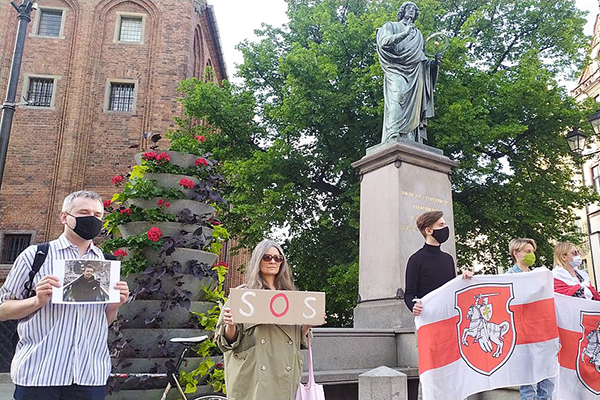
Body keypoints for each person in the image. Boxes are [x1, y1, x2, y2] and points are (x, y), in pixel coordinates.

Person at [0, 190, 129, 400]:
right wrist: (37, 300)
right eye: (84, 212)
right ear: (64, 217)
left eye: (97, 215)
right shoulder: (36, 256)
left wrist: (114, 306)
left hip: (89, 375)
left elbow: (100, 323)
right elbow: (3, 310)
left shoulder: (106, 263)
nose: (92, 219)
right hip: (39, 373)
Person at [215, 239, 312, 400]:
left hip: (284, 373)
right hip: (254, 375)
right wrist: (230, 324)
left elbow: (296, 338)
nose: (273, 261)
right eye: (267, 257)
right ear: (257, 260)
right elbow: (226, 341)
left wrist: (307, 325)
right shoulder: (243, 294)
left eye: (278, 258)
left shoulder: (291, 297)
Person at [376, 1, 440, 144]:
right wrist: (405, 33)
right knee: (398, 94)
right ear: (402, 11)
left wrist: (434, 64)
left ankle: (409, 137)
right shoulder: (391, 26)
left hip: (416, 72)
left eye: (414, 9)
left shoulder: (418, 35)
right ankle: (393, 133)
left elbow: (421, 59)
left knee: (414, 107)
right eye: (408, 8)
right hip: (395, 68)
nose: (411, 10)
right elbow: (384, 42)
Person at [506, 238, 554, 400]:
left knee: (548, 381)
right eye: (527, 252)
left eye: (533, 252)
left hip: (542, 332)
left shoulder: (538, 276)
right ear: (516, 253)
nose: (531, 255)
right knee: (528, 383)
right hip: (523, 334)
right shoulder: (509, 277)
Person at [404, 210, 472, 317]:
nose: (445, 228)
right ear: (428, 230)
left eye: (445, 224)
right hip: (428, 318)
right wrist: (414, 306)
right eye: (441, 225)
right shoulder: (416, 260)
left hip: (448, 316)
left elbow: (452, 289)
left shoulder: (448, 259)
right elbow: (409, 294)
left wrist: (465, 279)